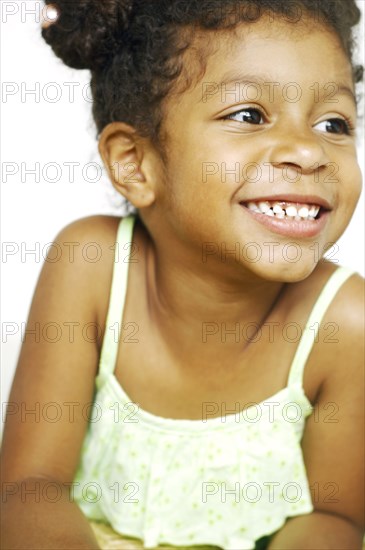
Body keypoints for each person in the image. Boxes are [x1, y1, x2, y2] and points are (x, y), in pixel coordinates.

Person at [1, 1, 364, 549]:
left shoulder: (347, 324)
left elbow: (339, 519)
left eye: (333, 123)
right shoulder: (92, 265)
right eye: (249, 115)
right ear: (135, 162)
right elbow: (29, 487)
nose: (309, 151)